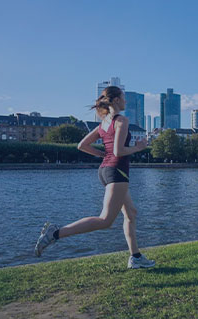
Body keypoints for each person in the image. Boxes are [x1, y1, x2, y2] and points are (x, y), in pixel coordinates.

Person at [34, 86, 155, 269]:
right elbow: (119, 151)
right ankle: (55, 233)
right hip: (117, 171)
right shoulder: (121, 120)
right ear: (115, 100)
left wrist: (101, 155)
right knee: (105, 220)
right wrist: (139, 147)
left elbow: (82, 145)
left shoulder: (104, 124)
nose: (125, 101)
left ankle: (136, 257)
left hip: (106, 170)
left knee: (131, 213)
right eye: (123, 98)